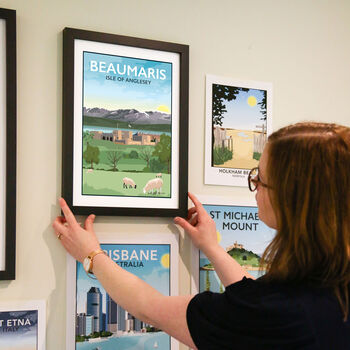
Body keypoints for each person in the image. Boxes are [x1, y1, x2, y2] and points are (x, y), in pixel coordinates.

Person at [53, 122, 350, 349]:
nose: (255, 187)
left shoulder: (281, 314)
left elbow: (150, 308)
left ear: (291, 199)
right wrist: (212, 247)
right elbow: (255, 298)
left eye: (260, 178)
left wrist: (90, 255)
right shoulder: (329, 286)